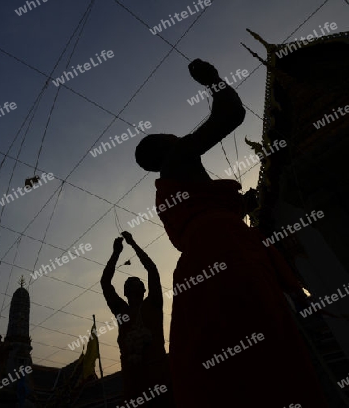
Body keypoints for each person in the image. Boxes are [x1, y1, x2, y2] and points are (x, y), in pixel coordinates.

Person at [133, 59, 328, 407]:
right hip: (226, 250)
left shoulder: (167, 191)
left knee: (235, 345)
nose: (177, 135)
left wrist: (239, 207)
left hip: (206, 259)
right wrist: (214, 81)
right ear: (164, 144)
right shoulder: (177, 157)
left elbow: (206, 213)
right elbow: (231, 115)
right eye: (169, 135)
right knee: (264, 328)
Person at [100, 231, 174, 407]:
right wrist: (116, 252)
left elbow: (152, 269)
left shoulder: (153, 304)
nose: (133, 285)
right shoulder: (123, 311)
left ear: (143, 290)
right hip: (134, 384)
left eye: (135, 283)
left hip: (157, 382)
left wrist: (132, 244)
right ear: (126, 293)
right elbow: (105, 283)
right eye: (130, 284)